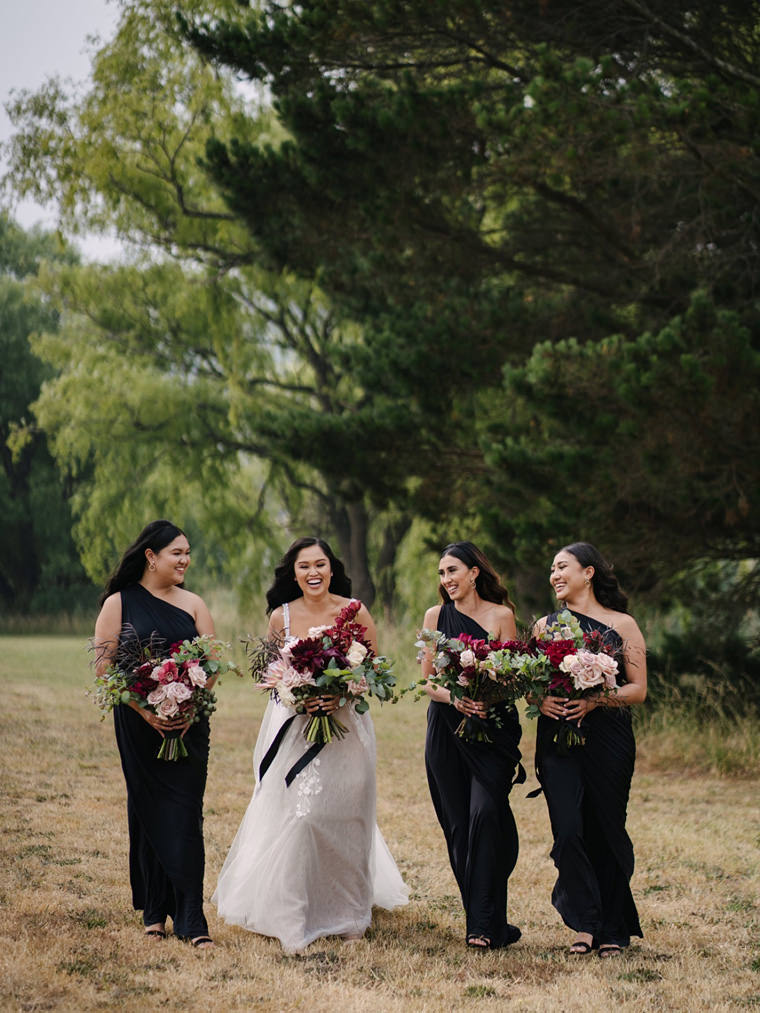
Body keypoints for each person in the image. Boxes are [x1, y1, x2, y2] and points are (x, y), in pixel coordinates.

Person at [212, 537, 408, 953]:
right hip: (295, 729)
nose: (313, 572)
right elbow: (269, 678)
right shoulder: (280, 617)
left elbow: (373, 670)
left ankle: (351, 913)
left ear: (332, 568)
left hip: (347, 727)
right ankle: (296, 910)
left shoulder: (355, 611)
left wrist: (341, 693)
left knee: (349, 815)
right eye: (304, 566)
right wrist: (296, 692)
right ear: (294, 572)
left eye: (320, 564)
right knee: (302, 818)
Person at [93, 520, 216, 948]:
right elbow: (104, 669)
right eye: (176, 553)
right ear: (151, 556)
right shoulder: (118, 603)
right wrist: (145, 710)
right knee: (146, 808)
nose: (185, 560)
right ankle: (153, 910)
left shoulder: (195, 604)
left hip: (189, 724)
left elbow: (212, 667)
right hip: (138, 723)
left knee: (185, 813)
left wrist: (189, 705)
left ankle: (191, 917)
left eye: (187, 553)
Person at [533, 541, 647, 958]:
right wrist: (538, 699)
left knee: (605, 827)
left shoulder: (623, 624)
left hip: (608, 740)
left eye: (563, 567)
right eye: (551, 569)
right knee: (567, 829)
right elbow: (530, 684)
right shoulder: (545, 627)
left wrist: (597, 698)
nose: (555, 575)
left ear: (589, 572)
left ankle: (612, 926)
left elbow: (637, 690)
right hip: (558, 738)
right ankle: (584, 920)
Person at [420, 540, 523, 950]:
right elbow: (427, 680)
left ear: (474, 573)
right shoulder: (434, 616)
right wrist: (455, 697)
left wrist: (487, 693)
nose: (447, 581)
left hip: (491, 730)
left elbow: (513, 679)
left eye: (453, 572)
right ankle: (484, 924)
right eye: (442, 574)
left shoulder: (502, 616)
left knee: (486, 816)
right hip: (446, 730)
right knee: (459, 826)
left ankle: (484, 922)